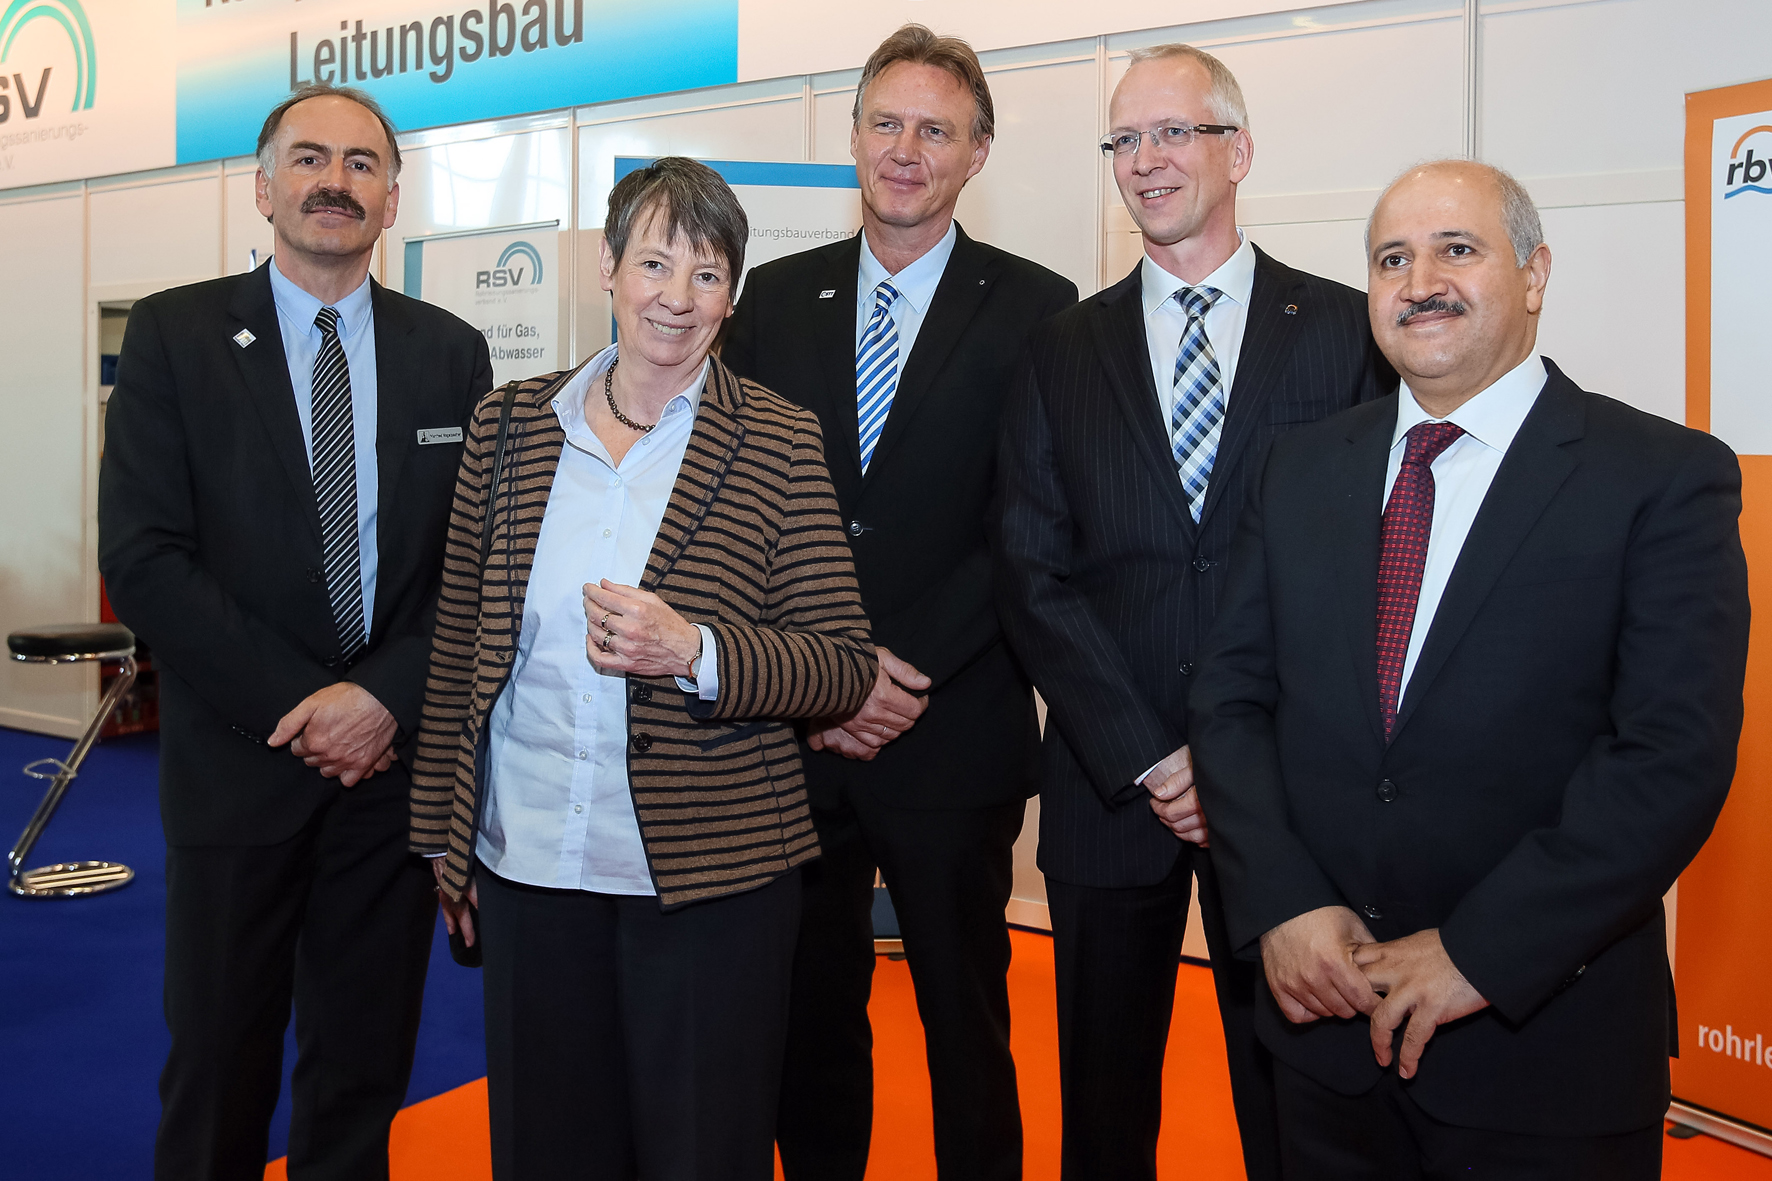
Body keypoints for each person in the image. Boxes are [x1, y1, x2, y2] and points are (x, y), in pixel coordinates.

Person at [1188, 159, 1750, 1178]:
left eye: (1456, 249)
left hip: (1542, 1054)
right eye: (1390, 259)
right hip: (1321, 1035)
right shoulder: (1297, 467)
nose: (1419, 283)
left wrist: (1479, 951)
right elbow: (1231, 698)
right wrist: (1279, 899)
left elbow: (1670, 755)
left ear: (1534, 274)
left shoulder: (1660, 477)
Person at [409, 156, 878, 1181]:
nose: (676, 297)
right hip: (530, 865)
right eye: (655, 263)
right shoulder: (508, 425)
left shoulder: (778, 441)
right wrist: (447, 841)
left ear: (732, 295)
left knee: (701, 1151)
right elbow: (460, 648)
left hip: (712, 883)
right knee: (548, 1151)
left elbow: (841, 664)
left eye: (707, 274)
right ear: (608, 267)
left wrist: (695, 649)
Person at [993, 43, 1391, 1181]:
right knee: (1101, 1110)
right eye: (1124, 139)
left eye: (1173, 131)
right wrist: (1151, 757)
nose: (1146, 159)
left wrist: (1234, 760)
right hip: (1111, 782)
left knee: (1296, 1108)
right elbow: (1030, 567)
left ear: (1239, 149)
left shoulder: (1347, 331)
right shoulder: (1060, 346)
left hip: (1288, 790)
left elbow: (1371, 565)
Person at [97, 83, 493, 1178]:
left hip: (388, 781)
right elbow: (145, 557)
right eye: (310, 158)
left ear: (393, 199)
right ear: (265, 188)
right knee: (217, 1069)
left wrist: (382, 700)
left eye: (363, 164)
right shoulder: (176, 334)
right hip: (238, 770)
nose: (336, 181)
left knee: (363, 1074)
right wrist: (307, 707)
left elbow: (472, 566)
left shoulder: (450, 352)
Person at [722, 25, 1077, 1179]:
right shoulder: (773, 299)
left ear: (977, 152)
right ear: (853, 137)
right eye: (885, 123)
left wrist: (892, 671)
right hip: (795, 738)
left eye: (935, 129)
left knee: (964, 1018)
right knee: (808, 1015)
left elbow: (1027, 521)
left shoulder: (1038, 307)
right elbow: (741, 507)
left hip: (951, 727)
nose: (905, 149)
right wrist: (826, 682)